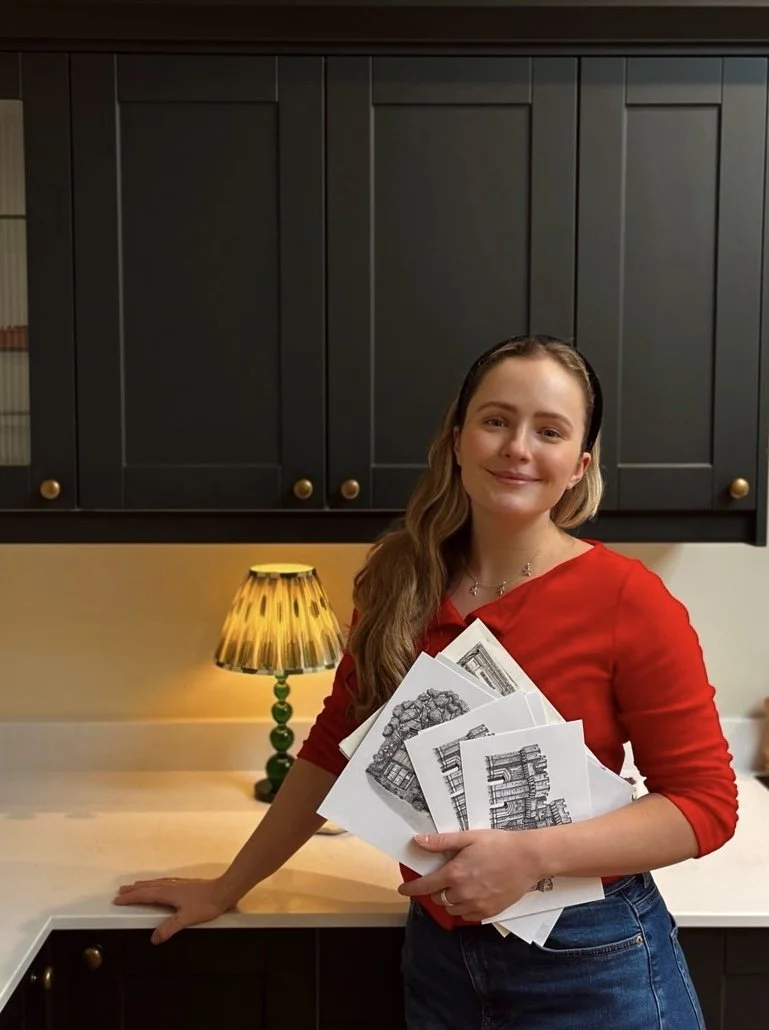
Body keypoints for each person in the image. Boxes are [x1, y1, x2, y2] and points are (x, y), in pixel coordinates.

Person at [114, 335, 737, 1029]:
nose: (516, 447)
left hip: (592, 960)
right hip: (440, 964)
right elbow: (331, 750)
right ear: (456, 440)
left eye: (549, 430)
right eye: (495, 420)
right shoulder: (395, 581)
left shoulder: (628, 599)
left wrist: (531, 855)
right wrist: (229, 884)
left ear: (577, 466)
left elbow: (704, 806)